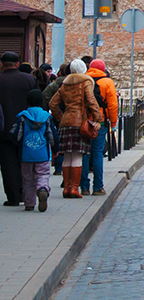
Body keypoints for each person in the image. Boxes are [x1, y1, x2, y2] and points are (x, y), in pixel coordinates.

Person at [48, 59, 102, 199]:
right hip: (79, 122)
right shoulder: (86, 81)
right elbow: (91, 100)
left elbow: (52, 103)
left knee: (67, 156)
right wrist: (98, 118)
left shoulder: (65, 84)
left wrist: (61, 117)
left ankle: (66, 188)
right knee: (77, 156)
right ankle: (74, 189)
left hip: (65, 123)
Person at [1, 52, 39, 205]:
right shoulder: (29, 79)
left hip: (4, 129)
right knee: (26, 162)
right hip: (27, 128)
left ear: (2, 64)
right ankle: (27, 193)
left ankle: (13, 197)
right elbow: (38, 102)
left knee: (8, 164)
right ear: (17, 64)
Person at [14, 89, 56, 212]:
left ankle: (29, 203)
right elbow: (52, 134)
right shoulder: (46, 117)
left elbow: (17, 135)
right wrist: (55, 148)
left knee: (27, 178)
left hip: (26, 154)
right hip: (42, 153)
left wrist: (16, 146)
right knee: (42, 174)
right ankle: (42, 189)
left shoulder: (22, 117)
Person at [82, 59, 118, 196]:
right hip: (100, 122)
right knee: (97, 153)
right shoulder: (107, 82)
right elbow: (112, 105)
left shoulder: (84, 80)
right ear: (103, 69)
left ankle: (84, 187)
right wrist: (113, 123)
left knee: (85, 153)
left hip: (84, 123)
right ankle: (98, 187)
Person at [43, 63, 72, 177]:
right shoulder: (73, 83)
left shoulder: (55, 84)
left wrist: (56, 114)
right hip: (70, 116)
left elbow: (46, 97)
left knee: (58, 140)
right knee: (69, 146)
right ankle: (67, 174)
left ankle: (59, 168)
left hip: (57, 115)